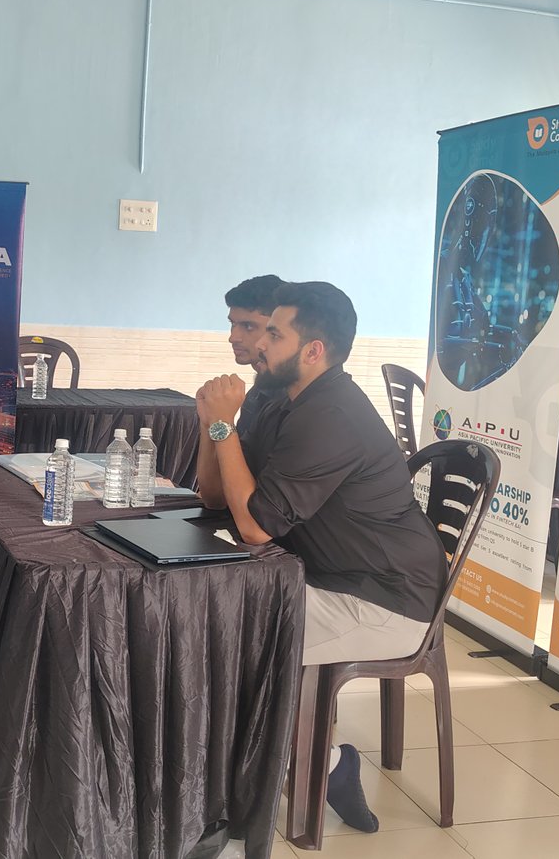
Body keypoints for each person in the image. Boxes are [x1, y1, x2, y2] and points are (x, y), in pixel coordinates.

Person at [193, 281, 445, 835]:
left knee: (222, 640)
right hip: (327, 578)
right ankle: (326, 766)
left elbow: (255, 527)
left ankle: (227, 809)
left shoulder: (331, 414)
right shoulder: (287, 401)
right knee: (208, 614)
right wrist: (213, 425)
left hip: (382, 600)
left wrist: (222, 425)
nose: (259, 344)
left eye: (273, 334)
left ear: (313, 350)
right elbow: (217, 497)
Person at [222, 274, 285, 444]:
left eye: (248, 326)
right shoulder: (256, 393)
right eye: (232, 324)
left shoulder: (293, 399)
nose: (233, 337)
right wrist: (209, 422)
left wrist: (222, 422)